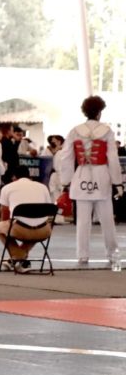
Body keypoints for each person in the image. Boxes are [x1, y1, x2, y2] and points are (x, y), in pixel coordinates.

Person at [58, 95, 124, 266]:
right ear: (100, 112)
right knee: (107, 220)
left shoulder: (75, 131)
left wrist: (65, 181)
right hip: (101, 175)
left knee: (82, 221)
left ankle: (82, 256)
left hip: (81, 176)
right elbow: (113, 158)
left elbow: (65, 157)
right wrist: (117, 182)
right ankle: (113, 257)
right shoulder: (107, 131)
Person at [0, 165, 53, 273]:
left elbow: (5, 214)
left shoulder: (7, 188)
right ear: (29, 176)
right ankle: (18, 258)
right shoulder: (43, 187)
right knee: (35, 224)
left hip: (20, 229)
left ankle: (19, 258)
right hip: (44, 231)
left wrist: (6, 224)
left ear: (14, 177)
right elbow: (49, 210)